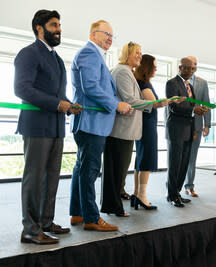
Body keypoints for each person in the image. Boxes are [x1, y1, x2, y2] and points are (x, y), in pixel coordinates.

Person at [14, 9, 81, 244]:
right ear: (39, 28)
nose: (59, 30)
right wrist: (57, 104)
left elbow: (57, 95)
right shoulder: (29, 54)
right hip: (36, 126)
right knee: (34, 178)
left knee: (51, 177)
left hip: (55, 127)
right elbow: (22, 89)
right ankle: (30, 229)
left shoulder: (55, 58)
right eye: (54, 25)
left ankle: (44, 222)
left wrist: (69, 105)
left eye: (59, 25)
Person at [69, 20, 132, 231]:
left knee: (82, 168)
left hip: (90, 123)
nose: (110, 39)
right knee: (89, 171)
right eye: (107, 34)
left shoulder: (96, 55)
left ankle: (78, 213)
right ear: (94, 34)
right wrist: (116, 104)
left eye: (112, 36)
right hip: (90, 123)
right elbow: (91, 87)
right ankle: (92, 218)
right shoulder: (89, 53)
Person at [101, 42, 169, 216]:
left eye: (140, 53)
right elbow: (130, 101)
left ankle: (113, 205)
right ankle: (114, 207)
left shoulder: (126, 72)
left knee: (118, 171)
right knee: (117, 171)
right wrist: (154, 103)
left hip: (125, 129)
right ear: (127, 54)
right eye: (136, 53)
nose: (140, 55)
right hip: (122, 129)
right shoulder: (122, 71)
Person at [133, 54, 180, 210]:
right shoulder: (143, 84)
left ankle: (136, 193)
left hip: (144, 123)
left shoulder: (141, 82)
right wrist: (172, 100)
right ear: (147, 67)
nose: (156, 68)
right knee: (146, 159)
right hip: (147, 124)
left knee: (140, 159)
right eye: (154, 65)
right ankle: (142, 195)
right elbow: (155, 104)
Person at [165, 57, 208, 207]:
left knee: (184, 164)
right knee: (175, 164)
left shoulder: (190, 86)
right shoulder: (172, 83)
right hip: (176, 129)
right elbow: (174, 107)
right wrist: (193, 110)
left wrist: (199, 112)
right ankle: (171, 195)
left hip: (189, 130)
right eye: (187, 68)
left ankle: (177, 193)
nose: (190, 71)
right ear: (180, 67)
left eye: (193, 69)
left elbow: (192, 108)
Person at [184, 56, 211, 197]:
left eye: (195, 64)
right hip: (180, 125)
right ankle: (174, 186)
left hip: (197, 125)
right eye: (190, 64)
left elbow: (206, 104)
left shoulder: (202, 83)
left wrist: (207, 125)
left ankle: (189, 186)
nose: (193, 66)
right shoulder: (177, 82)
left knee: (192, 157)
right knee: (178, 157)